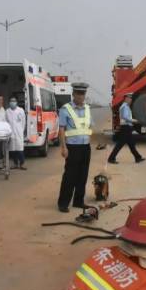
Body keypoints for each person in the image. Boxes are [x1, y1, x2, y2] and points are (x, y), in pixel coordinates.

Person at [57, 83, 93, 213]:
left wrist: (90, 143)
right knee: (70, 176)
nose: (81, 96)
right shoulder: (65, 109)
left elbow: (88, 128)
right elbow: (61, 129)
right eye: (78, 93)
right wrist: (63, 147)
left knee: (82, 176)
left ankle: (78, 201)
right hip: (72, 148)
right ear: (73, 94)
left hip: (85, 147)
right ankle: (63, 203)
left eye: (83, 94)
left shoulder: (88, 109)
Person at [107, 93, 145, 164]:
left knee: (131, 144)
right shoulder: (124, 107)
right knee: (120, 144)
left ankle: (138, 157)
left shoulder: (126, 106)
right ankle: (111, 158)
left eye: (131, 99)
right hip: (125, 127)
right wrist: (134, 121)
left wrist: (132, 121)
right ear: (126, 99)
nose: (130, 100)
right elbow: (125, 117)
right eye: (129, 99)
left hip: (127, 127)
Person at [6, 97, 26, 170]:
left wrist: (22, 130)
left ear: (16, 102)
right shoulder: (7, 111)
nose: (12, 102)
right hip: (11, 133)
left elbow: (23, 122)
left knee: (20, 149)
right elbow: (6, 122)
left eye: (14, 101)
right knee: (13, 150)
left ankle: (22, 164)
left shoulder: (21, 110)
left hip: (19, 132)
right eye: (11, 101)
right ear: (9, 102)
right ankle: (15, 164)